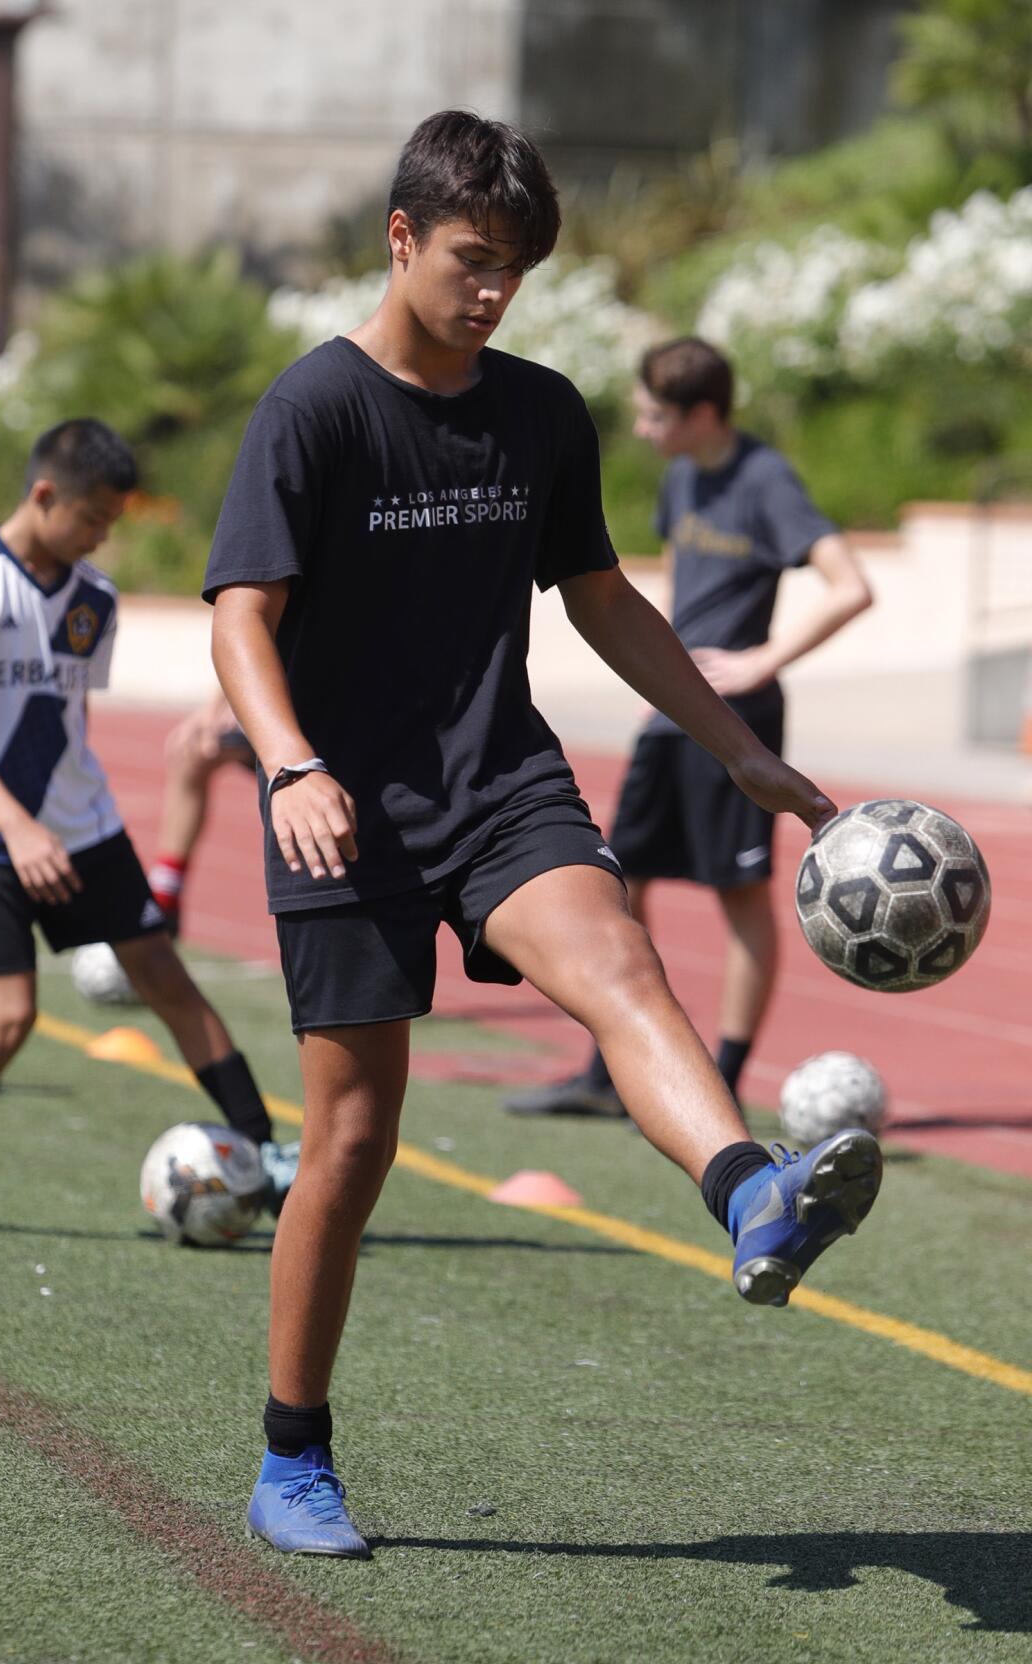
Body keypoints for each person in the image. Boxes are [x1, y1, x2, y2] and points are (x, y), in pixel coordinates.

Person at [203, 112, 883, 1560]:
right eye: (473, 258)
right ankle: (292, 1456)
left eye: (517, 267)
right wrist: (290, 765)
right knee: (352, 1136)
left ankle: (752, 1193)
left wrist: (741, 749)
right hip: (342, 810)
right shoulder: (312, 409)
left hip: (500, 779)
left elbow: (605, 596)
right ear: (402, 240)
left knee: (624, 966)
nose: (496, 289)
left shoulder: (542, 410)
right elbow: (239, 613)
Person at [0, 419, 297, 1234]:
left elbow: (59, 717)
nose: (103, 536)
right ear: (44, 495)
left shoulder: (94, 599)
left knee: (164, 977)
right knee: (11, 1015)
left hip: (84, 827)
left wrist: (60, 824)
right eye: (94, 518)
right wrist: (19, 830)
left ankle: (265, 1147)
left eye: (113, 522)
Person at [505, 337, 873, 1119]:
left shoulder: (766, 480)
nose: (641, 429)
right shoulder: (679, 478)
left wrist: (762, 659)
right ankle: (612, 1071)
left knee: (740, 895)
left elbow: (851, 587)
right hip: (673, 711)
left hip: (741, 716)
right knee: (618, 881)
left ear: (701, 414)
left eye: (654, 415)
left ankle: (728, 1079)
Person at [147, 689, 256, 937]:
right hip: (272, 704)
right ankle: (166, 894)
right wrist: (212, 713)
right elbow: (236, 651)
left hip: (313, 715)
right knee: (190, 752)